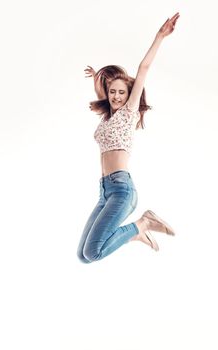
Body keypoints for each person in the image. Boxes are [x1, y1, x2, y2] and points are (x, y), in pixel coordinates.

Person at [77, 13, 180, 264]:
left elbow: (143, 69)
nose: (116, 96)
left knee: (94, 252)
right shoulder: (106, 119)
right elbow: (105, 87)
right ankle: (135, 235)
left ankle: (144, 223)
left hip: (122, 189)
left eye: (121, 92)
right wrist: (96, 77)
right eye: (112, 92)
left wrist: (160, 36)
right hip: (104, 191)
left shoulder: (128, 112)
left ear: (129, 94)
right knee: (83, 256)